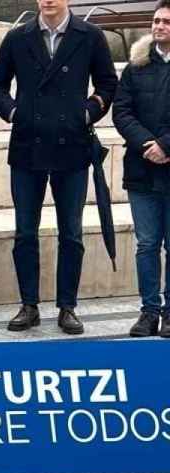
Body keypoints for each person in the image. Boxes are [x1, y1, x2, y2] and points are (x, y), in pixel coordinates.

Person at [0, 0, 118, 334]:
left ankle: (67, 307)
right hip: (27, 146)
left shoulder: (89, 36)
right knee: (25, 232)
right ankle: (28, 305)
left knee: (72, 233)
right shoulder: (18, 37)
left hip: (71, 146)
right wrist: (14, 112)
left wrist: (88, 112)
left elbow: (107, 83)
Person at [112, 0, 170, 338]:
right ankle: (148, 311)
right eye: (156, 20)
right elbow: (122, 111)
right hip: (142, 168)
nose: (160, 26)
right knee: (146, 244)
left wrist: (166, 145)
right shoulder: (136, 66)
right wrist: (148, 144)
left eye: (166, 21)